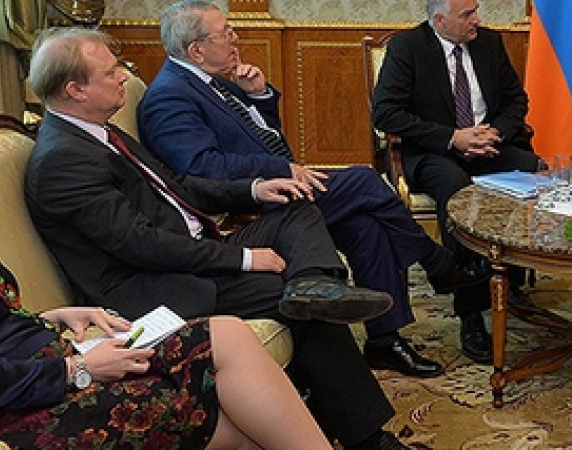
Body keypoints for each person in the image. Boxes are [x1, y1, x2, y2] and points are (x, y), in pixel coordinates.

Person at [0, 64, 334, 449]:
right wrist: (77, 371)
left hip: (38, 369)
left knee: (226, 336)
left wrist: (55, 317)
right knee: (230, 418)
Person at [24, 27, 412, 450]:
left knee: (295, 210)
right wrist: (244, 258)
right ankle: (368, 439)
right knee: (289, 298)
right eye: (111, 71)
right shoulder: (64, 160)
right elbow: (141, 244)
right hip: (151, 286)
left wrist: (254, 188)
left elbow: (178, 186)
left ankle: (314, 284)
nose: (124, 76)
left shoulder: (98, 131)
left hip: (186, 250)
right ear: (76, 90)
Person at [137, 0, 489, 379]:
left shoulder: (212, 81)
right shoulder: (169, 96)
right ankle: (436, 262)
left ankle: (385, 341)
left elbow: (262, 139)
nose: (236, 38)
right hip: (250, 204)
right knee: (365, 180)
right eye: (225, 33)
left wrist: (258, 96)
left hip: (279, 184)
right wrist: (279, 169)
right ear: (196, 50)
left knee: (364, 225)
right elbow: (201, 168)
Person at [372, 0, 542, 364]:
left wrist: (496, 132)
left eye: (476, 11)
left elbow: (517, 100)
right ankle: (470, 312)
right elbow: (386, 113)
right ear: (439, 20)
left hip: (488, 143)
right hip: (436, 151)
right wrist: (454, 138)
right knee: (457, 188)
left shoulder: (489, 43)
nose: (476, 20)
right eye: (467, 14)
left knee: (534, 171)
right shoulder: (408, 48)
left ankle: (511, 276)